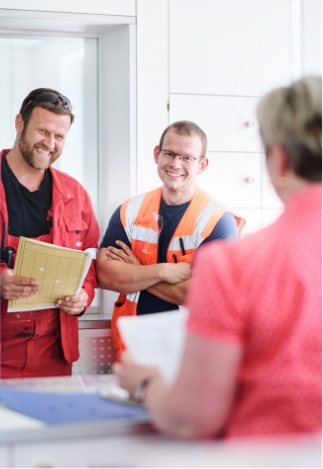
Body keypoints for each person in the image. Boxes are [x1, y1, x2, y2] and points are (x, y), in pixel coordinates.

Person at [113, 76, 322, 439]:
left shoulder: (236, 263)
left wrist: (145, 384)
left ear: (281, 159)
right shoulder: (132, 209)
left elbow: (192, 418)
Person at [97, 121, 245, 358]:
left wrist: (137, 271)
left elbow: (203, 296)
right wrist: (163, 271)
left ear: (202, 165)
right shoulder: (130, 210)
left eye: (187, 157)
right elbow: (104, 275)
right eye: (169, 153)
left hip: (189, 360)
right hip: (132, 353)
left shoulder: (217, 221)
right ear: (157, 154)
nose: (176, 164)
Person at [0, 88, 100, 379]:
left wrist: (84, 295)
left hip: (52, 356)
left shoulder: (76, 195)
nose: (50, 143)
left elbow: (90, 262)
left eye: (59, 136)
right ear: (20, 124)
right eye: (42, 131)